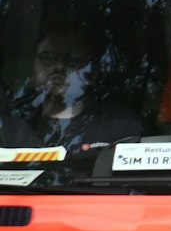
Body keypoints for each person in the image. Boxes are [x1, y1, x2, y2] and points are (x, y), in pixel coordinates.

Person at [6, 29, 143, 151]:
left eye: (73, 59)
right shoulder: (11, 128)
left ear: (91, 73)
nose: (59, 66)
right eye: (48, 57)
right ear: (33, 70)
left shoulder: (121, 127)